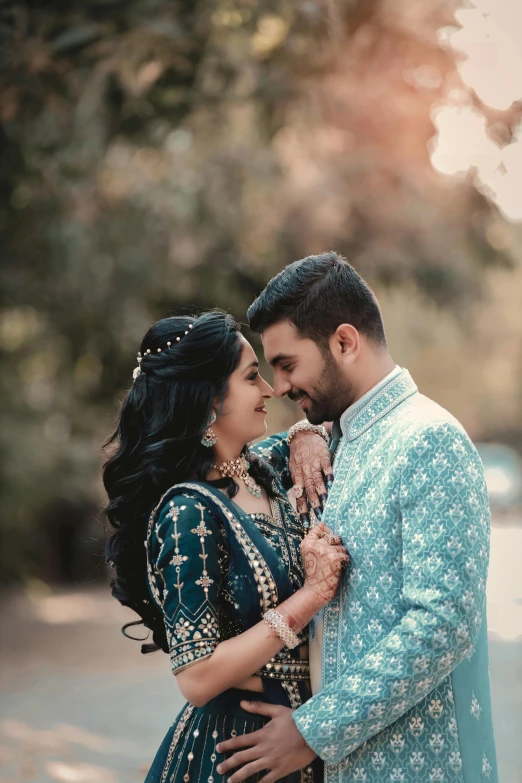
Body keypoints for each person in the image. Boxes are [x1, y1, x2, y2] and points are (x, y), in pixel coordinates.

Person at [217, 253, 498, 783]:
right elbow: (230, 462)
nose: (278, 387)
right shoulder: (336, 441)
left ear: (344, 342)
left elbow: (443, 625)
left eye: (287, 364)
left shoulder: (428, 440)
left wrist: (311, 732)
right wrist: (304, 433)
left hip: (423, 765)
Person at [102, 309, 349, 783]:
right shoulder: (188, 511)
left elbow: (316, 432)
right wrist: (311, 597)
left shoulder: (263, 470)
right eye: (252, 377)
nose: (270, 390)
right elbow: (196, 678)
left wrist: (303, 433)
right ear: (209, 399)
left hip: (304, 737)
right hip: (238, 749)